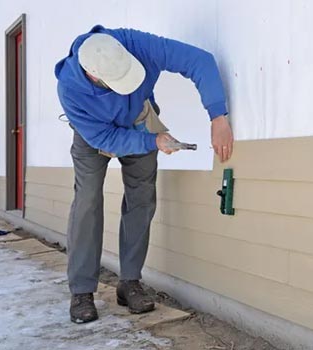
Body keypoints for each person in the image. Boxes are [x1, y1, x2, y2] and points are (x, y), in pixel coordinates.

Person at [55, 25, 233, 324]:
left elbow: (199, 61)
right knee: (87, 201)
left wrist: (218, 116)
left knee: (141, 199)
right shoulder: (70, 89)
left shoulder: (136, 43)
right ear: (94, 76)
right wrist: (154, 141)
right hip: (94, 136)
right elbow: (105, 140)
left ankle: (130, 282)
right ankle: (82, 291)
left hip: (139, 117)